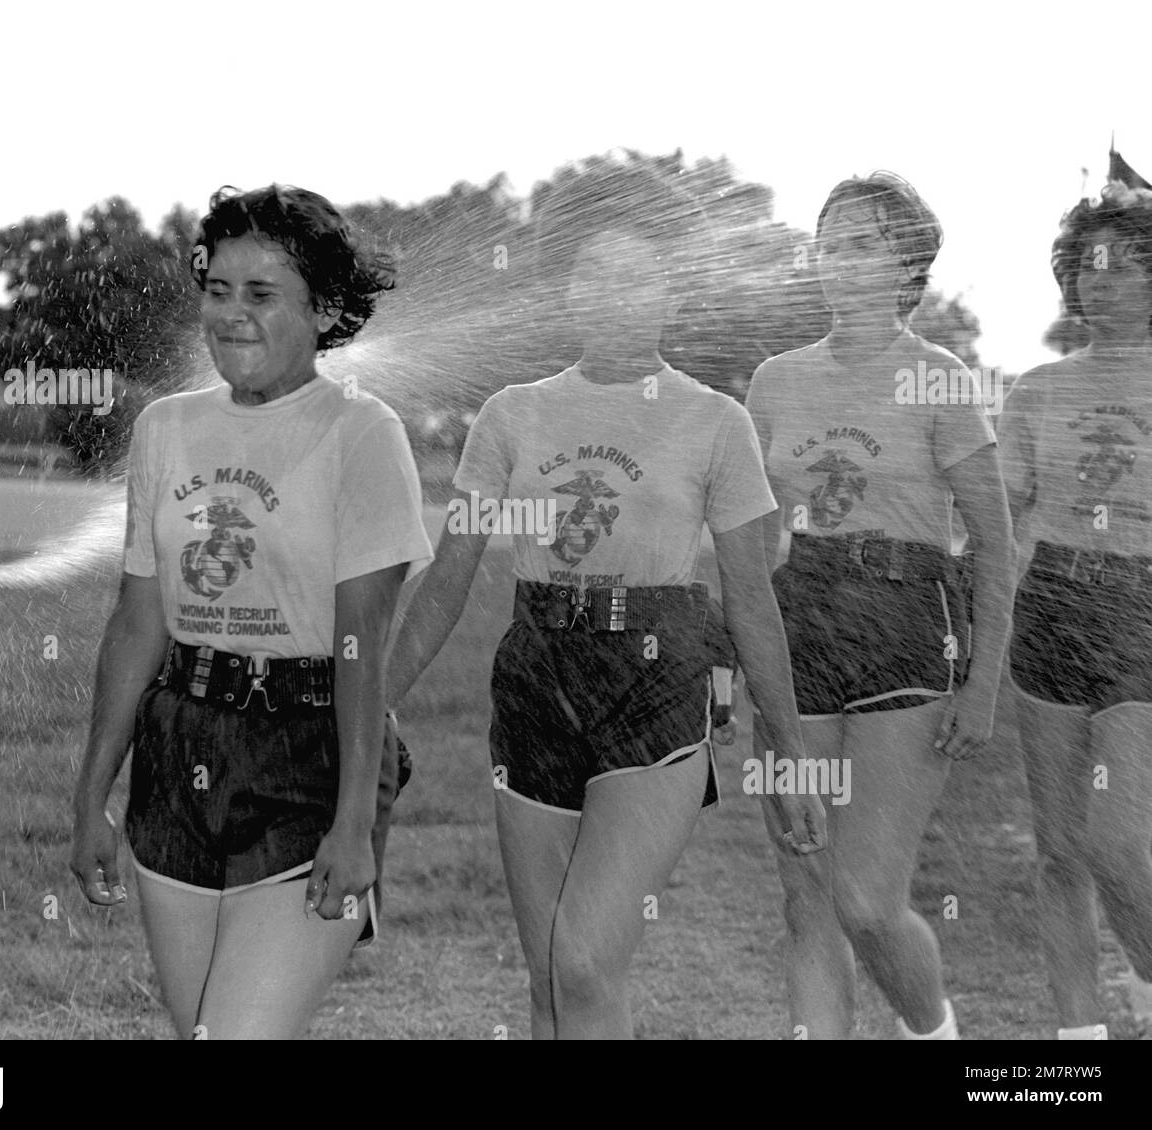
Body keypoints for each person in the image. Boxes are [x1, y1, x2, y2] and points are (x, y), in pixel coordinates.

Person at [387, 162, 825, 1041]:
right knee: (552, 977)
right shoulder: (512, 415)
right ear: (564, 288)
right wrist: (374, 701)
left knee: (584, 957)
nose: (614, 294)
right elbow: (449, 576)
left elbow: (751, 600)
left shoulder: (715, 421)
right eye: (594, 273)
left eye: (638, 274)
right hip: (537, 675)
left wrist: (789, 752)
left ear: (672, 288)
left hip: (657, 682)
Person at [70, 185, 432, 1039]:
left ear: (325, 312)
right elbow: (137, 626)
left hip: (309, 758)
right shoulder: (166, 428)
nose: (231, 315)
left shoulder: (362, 432)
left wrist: (354, 823)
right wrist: (91, 797)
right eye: (218, 289)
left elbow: (361, 647)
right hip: (180, 747)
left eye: (261, 295)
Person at [745, 172, 1014, 1040]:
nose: (838, 258)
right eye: (830, 242)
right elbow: (748, 542)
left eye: (862, 242)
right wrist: (729, 659)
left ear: (909, 265)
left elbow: (996, 546)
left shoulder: (941, 380)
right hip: (801, 627)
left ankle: (933, 1032)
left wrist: (982, 687)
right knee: (807, 897)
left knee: (864, 900)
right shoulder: (776, 380)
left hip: (906, 628)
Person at [998, 169, 1152, 1040]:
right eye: (1088, 262)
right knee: (1059, 853)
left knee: (1118, 846)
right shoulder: (1037, 391)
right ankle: (1080, 1051)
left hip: (1143, 608)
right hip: (1052, 604)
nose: (1101, 276)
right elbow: (995, 512)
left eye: (1125, 261)